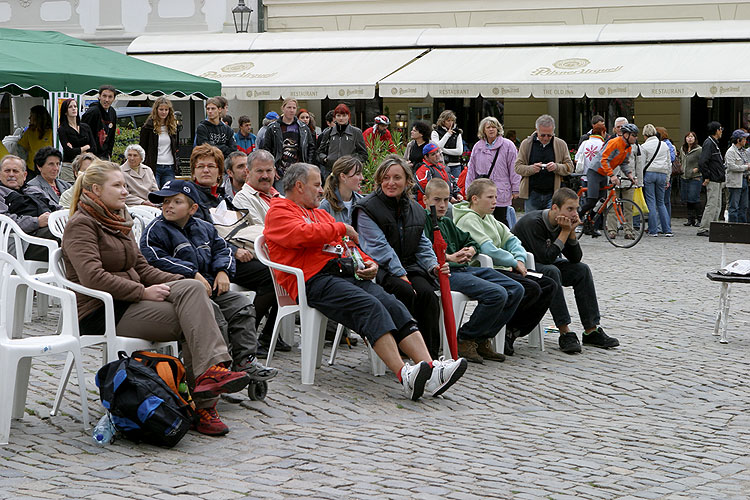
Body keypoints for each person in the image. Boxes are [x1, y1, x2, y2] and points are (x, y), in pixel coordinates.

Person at [61, 160, 252, 436]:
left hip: (134, 302)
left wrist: (181, 281)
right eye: (117, 185)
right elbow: (93, 278)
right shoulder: (82, 224)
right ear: (94, 190)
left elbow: (142, 269)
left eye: (125, 185)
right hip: (104, 310)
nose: (125, 191)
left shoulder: (119, 219)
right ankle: (203, 407)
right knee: (195, 320)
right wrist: (143, 292)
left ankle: (210, 374)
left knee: (195, 291)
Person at [264, 162, 467, 400]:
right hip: (313, 282)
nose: (321, 190)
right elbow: (302, 235)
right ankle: (404, 374)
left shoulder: (318, 212)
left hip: (342, 274)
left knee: (392, 303)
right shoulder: (279, 210)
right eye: (317, 185)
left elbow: (349, 246)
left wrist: (368, 262)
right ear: (299, 186)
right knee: (369, 306)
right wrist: (342, 228)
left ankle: (431, 367)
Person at [140, 179, 278, 383]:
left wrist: (223, 271)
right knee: (214, 316)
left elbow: (222, 249)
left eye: (176, 202)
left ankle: (244, 360)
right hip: (180, 292)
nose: (168, 206)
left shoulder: (205, 228)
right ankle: (217, 369)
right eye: (165, 201)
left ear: (192, 208)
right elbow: (156, 259)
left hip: (210, 288)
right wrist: (192, 273)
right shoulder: (156, 230)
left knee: (242, 306)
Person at [188, 144, 284, 353]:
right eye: (201, 166)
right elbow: (199, 239)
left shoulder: (221, 198)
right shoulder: (188, 198)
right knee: (272, 274)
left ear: (220, 172)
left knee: (281, 270)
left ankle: (264, 334)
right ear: (193, 170)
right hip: (206, 264)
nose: (206, 170)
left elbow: (233, 230)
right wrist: (233, 250)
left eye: (211, 166)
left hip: (227, 258)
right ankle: (246, 332)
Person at [423, 178, 524, 363]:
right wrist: (449, 258)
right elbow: (423, 253)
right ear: (425, 200)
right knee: (497, 294)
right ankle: (465, 337)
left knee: (516, 289)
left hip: (465, 269)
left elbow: (470, 241)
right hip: (445, 273)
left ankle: (481, 338)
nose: (443, 205)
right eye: (437, 200)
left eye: (446, 200)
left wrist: (470, 249)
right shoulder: (423, 222)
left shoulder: (446, 222)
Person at [453, 178, 557, 356]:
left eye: (496, 196)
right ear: (475, 199)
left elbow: (512, 240)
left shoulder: (490, 219)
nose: (495, 201)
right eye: (490, 197)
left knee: (549, 284)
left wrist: (519, 258)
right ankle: (482, 335)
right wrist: (513, 262)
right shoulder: (468, 219)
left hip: (506, 268)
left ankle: (511, 331)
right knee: (529, 288)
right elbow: (487, 250)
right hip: (488, 269)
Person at [353, 155, 443, 359]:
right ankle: (402, 351)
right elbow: (378, 248)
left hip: (409, 266)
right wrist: (401, 274)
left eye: (397, 178)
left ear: (408, 182)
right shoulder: (367, 208)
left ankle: (431, 356)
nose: (390, 183)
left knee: (427, 294)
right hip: (380, 269)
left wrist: (433, 266)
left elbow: (422, 243)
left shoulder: (415, 209)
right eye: (385, 178)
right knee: (404, 291)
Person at [513, 187, 620, 354]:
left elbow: (575, 258)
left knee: (581, 270)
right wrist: (564, 232)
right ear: (555, 208)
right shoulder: (534, 222)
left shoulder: (563, 223)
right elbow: (546, 257)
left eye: (576, 208)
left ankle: (591, 330)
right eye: (569, 209)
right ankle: (565, 331)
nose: (574, 213)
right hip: (524, 269)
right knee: (552, 271)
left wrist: (570, 234)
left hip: (545, 263)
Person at [579, 124, 638, 237]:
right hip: (595, 171)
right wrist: (612, 175)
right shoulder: (615, 143)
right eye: (634, 135)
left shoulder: (628, 148)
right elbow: (604, 159)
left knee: (601, 201)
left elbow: (624, 163)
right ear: (626, 135)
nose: (635, 138)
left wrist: (630, 175)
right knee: (592, 200)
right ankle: (577, 216)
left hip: (604, 174)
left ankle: (589, 222)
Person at [0, 155, 58, 260]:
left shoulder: (34, 190)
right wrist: (37, 222)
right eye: (7, 171)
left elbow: (56, 207)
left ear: (24, 175)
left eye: (15, 171)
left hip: (49, 229)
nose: (11, 175)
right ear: (0, 174)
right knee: (67, 235)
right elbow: (4, 222)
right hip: (24, 242)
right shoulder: (1, 193)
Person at [514, 114, 574, 213]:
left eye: (549, 135)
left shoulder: (560, 144)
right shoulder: (527, 144)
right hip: (532, 193)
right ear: (536, 131)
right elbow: (517, 167)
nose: (546, 138)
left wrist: (556, 167)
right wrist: (532, 169)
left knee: (551, 225)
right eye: (542, 135)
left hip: (553, 194)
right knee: (532, 224)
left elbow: (570, 167)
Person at [465, 116, 519, 227]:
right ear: (483, 130)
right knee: (482, 219)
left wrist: (516, 188)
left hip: (501, 190)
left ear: (498, 129)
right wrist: (468, 189)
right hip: (482, 189)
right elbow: (471, 169)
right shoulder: (478, 146)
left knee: (501, 220)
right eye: (488, 127)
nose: (491, 129)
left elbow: (514, 169)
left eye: (494, 127)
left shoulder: (508, 145)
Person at [262, 98, 316, 193]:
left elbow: (311, 148)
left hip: (299, 170)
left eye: (294, 108)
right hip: (280, 171)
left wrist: (308, 166)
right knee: (282, 199)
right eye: (289, 107)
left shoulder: (303, 128)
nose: (291, 110)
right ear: (283, 108)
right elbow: (266, 150)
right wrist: (271, 168)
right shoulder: (273, 128)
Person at [316, 103, 367, 180]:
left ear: (348, 116)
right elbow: (319, 152)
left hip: (349, 172)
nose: (341, 118)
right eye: (338, 115)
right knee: (332, 192)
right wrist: (325, 159)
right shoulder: (328, 132)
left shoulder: (356, 132)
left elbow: (363, 155)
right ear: (335, 117)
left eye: (344, 115)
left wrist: (351, 161)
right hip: (331, 171)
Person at [640, 124, 673, 237]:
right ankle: (667, 229)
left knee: (651, 202)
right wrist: (667, 179)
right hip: (662, 174)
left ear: (644, 135)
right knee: (661, 203)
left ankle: (653, 230)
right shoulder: (664, 145)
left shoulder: (644, 147)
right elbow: (669, 164)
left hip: (649, 174)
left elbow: (641, 164)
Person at [232, 149, 281, 225]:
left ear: (274, 171)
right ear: (248, 172)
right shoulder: (242, 199)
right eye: (259, 171)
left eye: (268, 170)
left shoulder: (282, 198)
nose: (265, 176)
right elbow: (258, 231)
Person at [139, 96, 179, 188]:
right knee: (155, 193)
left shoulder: (172, 127)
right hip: (153, 166)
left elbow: (175, 147)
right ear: (156, 110)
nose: (164, 112)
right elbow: (142, 148)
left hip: (169, 166)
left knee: (169, 193)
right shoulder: (148, 127)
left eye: (166, 109)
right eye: (161, 109)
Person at [697, 121, 725, 237]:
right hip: (713, 178)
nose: (721, 131)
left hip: (717, 178)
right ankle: (704, 228)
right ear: (716, 130)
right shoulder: (709, 143)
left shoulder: (714, 143)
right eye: (720, 129)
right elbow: (703, 162)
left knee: (717, 204)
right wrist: (707, 176)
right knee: (712, 204)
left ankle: (713, 226)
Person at [57, 98, 95, 182]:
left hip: (86, 166)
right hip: (69, 169)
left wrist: (76, 149)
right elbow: (69, 152)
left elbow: (93, 148)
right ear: (65, 111)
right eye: (70, 107)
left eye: (75, 106)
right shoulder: (62, 129)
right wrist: (85, 147)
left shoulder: (85, 127)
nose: (74, 108)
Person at [319, 155, 364, 224]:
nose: (362, 178)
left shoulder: (362, 202)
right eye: (357, 174)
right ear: (343, 176)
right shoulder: (325, 206)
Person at [414, 142, 462, 207]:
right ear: (426, 157)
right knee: (451, 208)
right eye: (433, 154)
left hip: (446, 200)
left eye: (437, 152)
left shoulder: (443, 167)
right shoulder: (423, 170)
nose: (437, 155)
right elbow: (428, 190)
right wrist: (449, 198)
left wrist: (457, 194)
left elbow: (453, 182)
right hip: (432, 204)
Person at [81, 84, 117, 160]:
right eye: (104, 96)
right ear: (99, 96)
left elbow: (112, 135)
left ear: (114, 99)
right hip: (91, 155)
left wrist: (109, 153)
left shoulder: (112, 112)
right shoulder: (92, 112)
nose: (107, 100)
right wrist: (86, 153)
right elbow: (82, 133)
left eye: (110, 97)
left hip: (105, 155)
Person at [17, 105, 54, 176]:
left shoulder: (51, 132)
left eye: (31, 116)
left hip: (48, 168)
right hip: (32, 169)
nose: (29, 118)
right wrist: (23, 163)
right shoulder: (29, 132)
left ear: (39, 118)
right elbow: (21, 147)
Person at [725, 129, 750, 223]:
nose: (745, 141)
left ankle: (742, 227)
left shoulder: (743, 151)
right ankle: (733, 227)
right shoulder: (730, 151)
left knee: (744, 206)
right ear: (738, 140)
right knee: (734, 206)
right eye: (743, 139)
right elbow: (731, 166)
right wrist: (746, 167)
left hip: (744, 180)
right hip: (735, 182)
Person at [431, 110, 464, 179]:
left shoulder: (457, 133)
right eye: (448, 121)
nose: (450, 123)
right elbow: (436, 148)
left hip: (455, 165)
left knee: (456, 187)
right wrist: (447, 135)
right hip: (440, 165)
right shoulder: (435, 132)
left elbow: (459, 151)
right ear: (443, 121)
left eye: (452, 121)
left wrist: (443, 150)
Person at [680, 131, 703, 227]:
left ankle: (699, 218)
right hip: (684, 176)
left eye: (692, 137)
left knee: (694, 198)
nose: (690, 138)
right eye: (688, 137)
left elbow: (703, 161)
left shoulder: (699, 149)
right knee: (687, 198)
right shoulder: (683, 149)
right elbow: (681, 159)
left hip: (695, 177)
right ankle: (690, 219)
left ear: (695, 138)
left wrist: (697, 169)